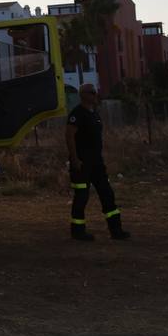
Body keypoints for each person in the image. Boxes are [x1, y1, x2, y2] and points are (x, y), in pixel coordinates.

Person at [66, 84, 130, 241]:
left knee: (107, 193)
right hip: (82, 163)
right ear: (83, 95)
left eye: (95, 92)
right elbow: (69, 136)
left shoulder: (95, 114)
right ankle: (78, 231)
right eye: (92, 93)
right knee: (82, 196)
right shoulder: (77, 114)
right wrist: (75, 159)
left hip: (97, 163)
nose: (95, 95)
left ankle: (116, 230)